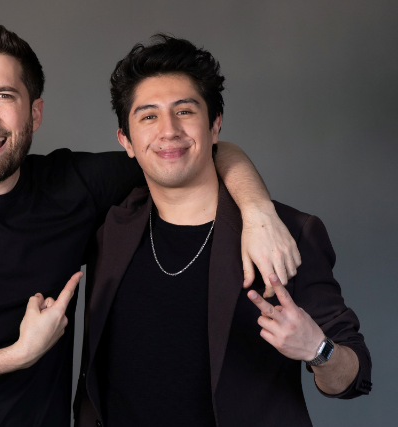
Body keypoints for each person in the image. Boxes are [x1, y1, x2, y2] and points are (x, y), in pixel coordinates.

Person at [0, 24, 299, 426]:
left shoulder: (72, 187)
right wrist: (17, 355)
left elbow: (191, 149)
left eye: (5, 96)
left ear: (35, 112)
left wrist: (258, 210)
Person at [72, 35, 371, 427]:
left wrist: (318, 350)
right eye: (148, 116)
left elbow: (353, 377)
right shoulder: (108, 226)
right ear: (125, 141)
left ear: (215, 126)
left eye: (184, 111)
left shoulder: (287, 233)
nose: (168, 131)